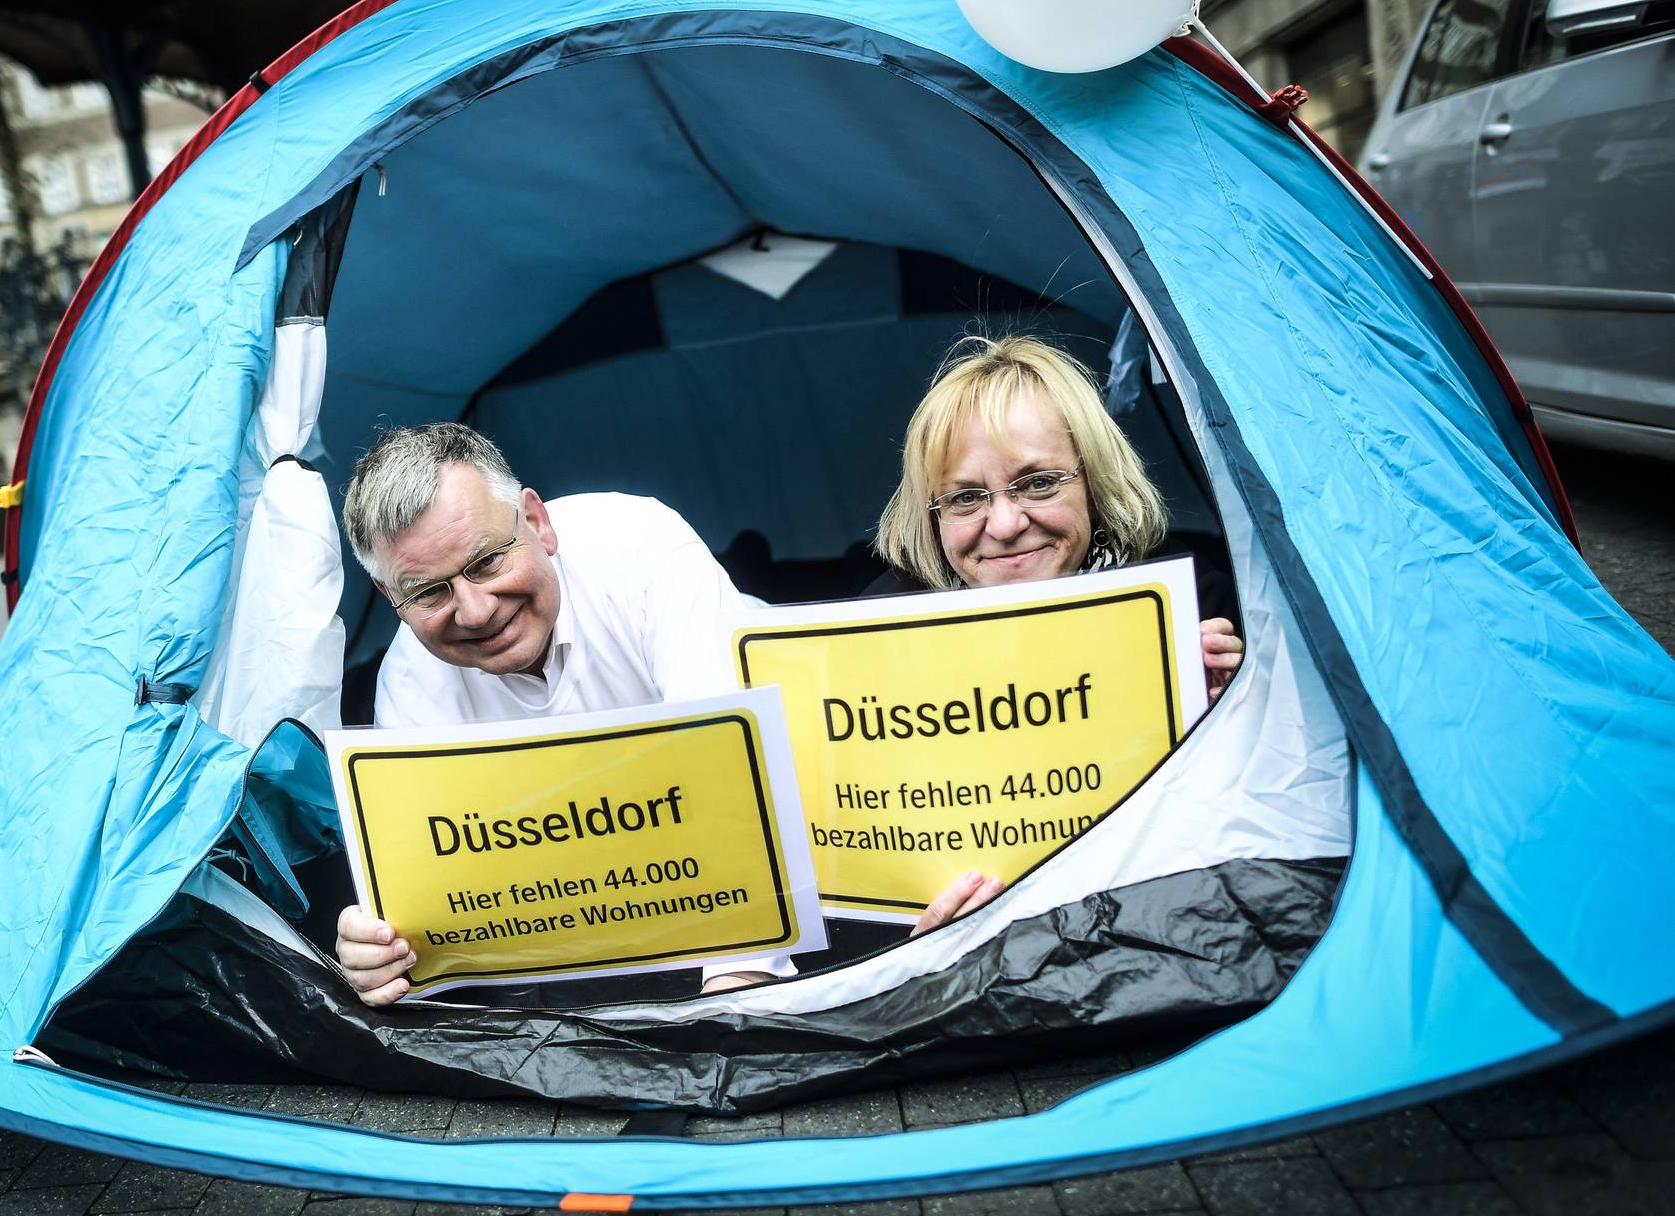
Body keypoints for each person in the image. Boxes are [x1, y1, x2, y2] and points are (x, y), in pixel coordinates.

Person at [330, 422, 785, 1004]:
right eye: (429, 593)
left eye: (487, 562)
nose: (474, 611)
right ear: (387, 592)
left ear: (538, 522)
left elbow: (733, 786)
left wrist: (736, 993)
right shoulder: (409, 681)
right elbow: (437, 894)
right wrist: (384, 952)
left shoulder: (643, 548)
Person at [874, 332, 1245, 691]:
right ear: (934, 516)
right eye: (966, 497)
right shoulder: (876, 631)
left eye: (1038, 483)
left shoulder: (1193, 608)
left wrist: (1229, 707)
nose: (1004, 527)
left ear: (1096, 486)